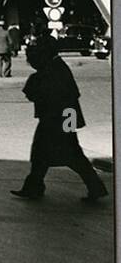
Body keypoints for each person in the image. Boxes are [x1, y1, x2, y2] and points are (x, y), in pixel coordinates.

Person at [10, 36, 108, 203]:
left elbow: (46, 93)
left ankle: (94, 187)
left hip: (58, 117)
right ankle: (34, 187)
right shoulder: (55, 66)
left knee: (66, 153)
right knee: (48, 153)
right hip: (63, 116)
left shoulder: (54, 69)